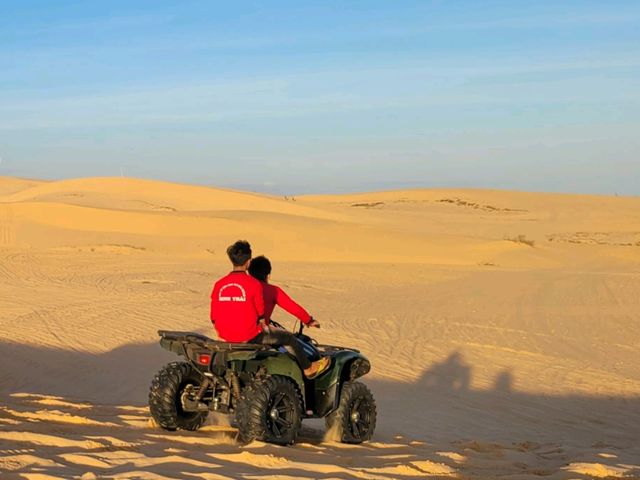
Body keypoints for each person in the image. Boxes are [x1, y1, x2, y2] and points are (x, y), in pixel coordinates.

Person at [210, 240, 330, 379]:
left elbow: (213, 316)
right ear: (248, 263)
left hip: (224, 335)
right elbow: (283, 309)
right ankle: (308, 368)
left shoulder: (219, 284)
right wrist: (309, 320)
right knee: (289, 338)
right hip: (250, 335)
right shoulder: (259, 286)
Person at [248, 255, 320, 329]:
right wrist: (308, 320)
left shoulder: (240, 287)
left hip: (236, 332)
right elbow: (292, 307)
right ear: (267, 275)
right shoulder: (273, 290)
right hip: (258, 334)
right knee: (289, 338)